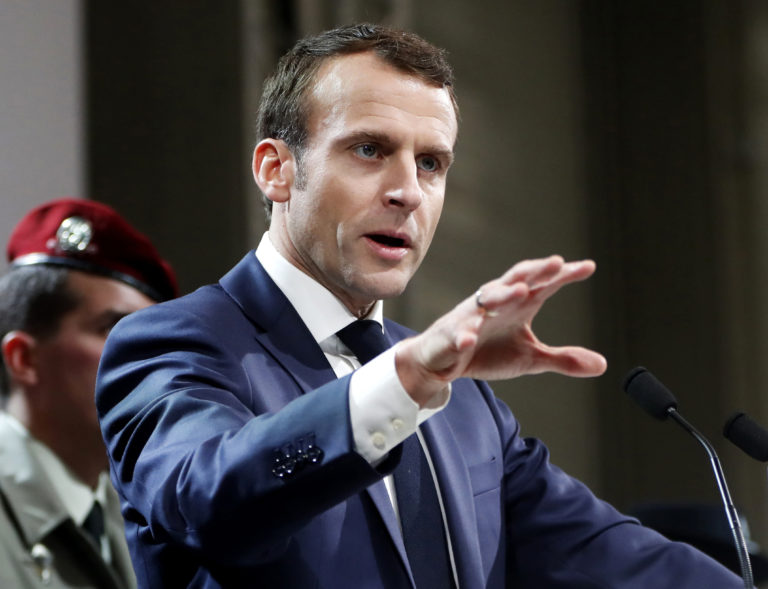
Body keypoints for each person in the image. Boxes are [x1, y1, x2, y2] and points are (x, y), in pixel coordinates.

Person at [95, 23, 747, 588]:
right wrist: (403, 382)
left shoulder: (462, 397)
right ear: (276, 169)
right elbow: (211, 499)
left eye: (431, 163)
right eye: (369, 149)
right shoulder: (172, 344)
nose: (408, 190)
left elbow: (605, 555)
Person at [0, 197, 177, 589]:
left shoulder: (147, 513)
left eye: (156, 339)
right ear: (24, 358)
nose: (152, 362)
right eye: (116, 332)